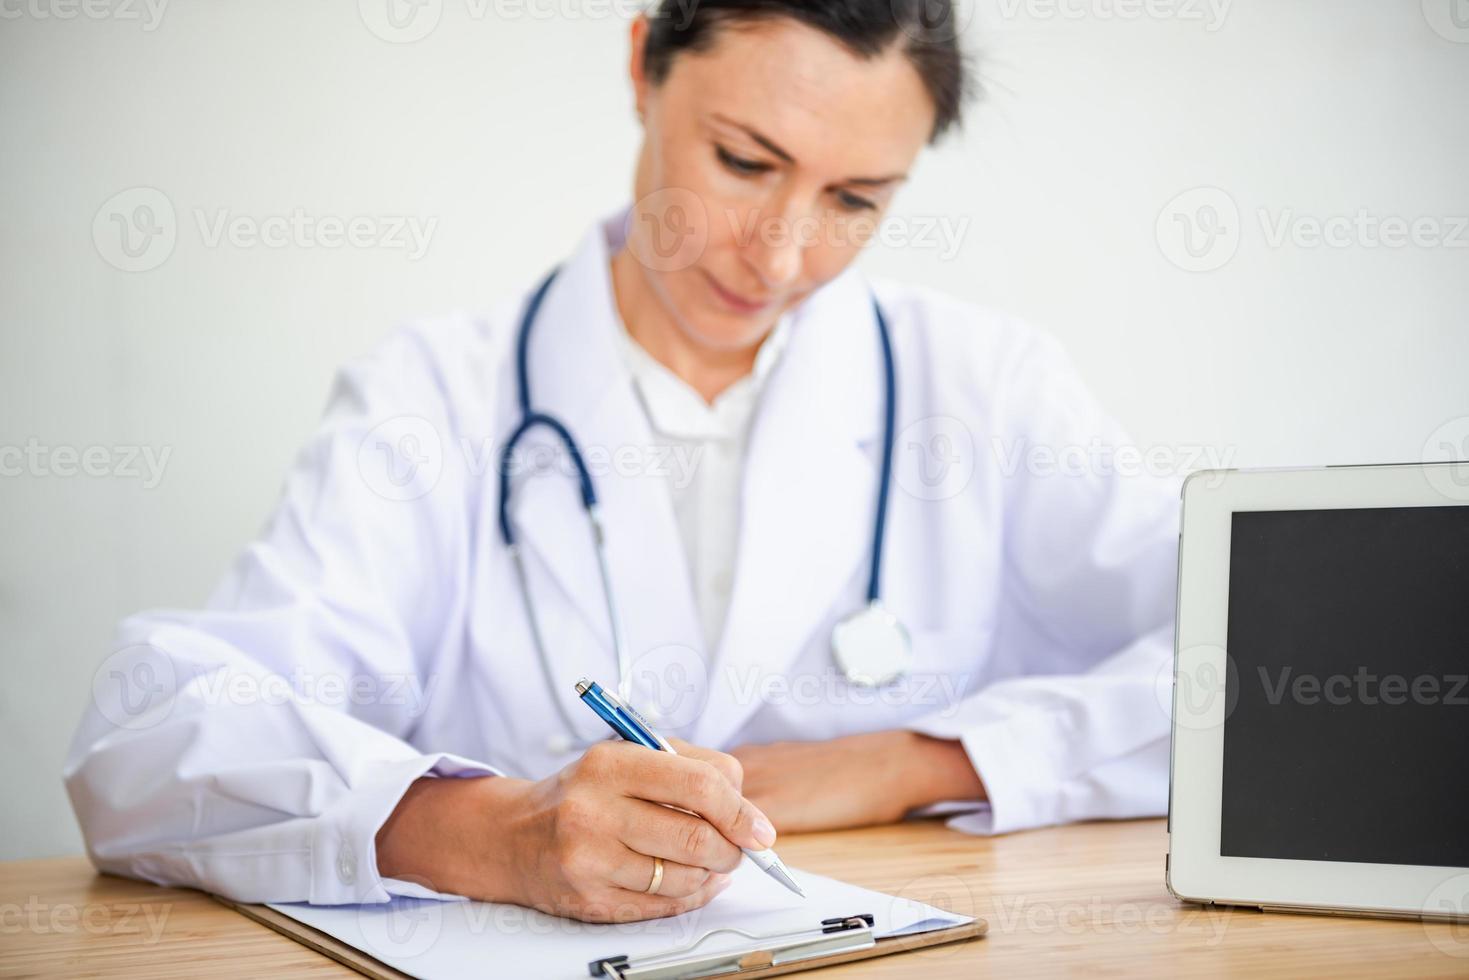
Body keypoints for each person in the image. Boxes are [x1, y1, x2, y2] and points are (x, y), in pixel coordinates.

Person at [65, 0, 1181, 924]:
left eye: (853, 200)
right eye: (744, 161)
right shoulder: (435, 396)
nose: (784, 253)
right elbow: (147, 737)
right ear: (643, 65)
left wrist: (918, 758)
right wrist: (495, 831)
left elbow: (1258, 663)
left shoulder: (981, 386)